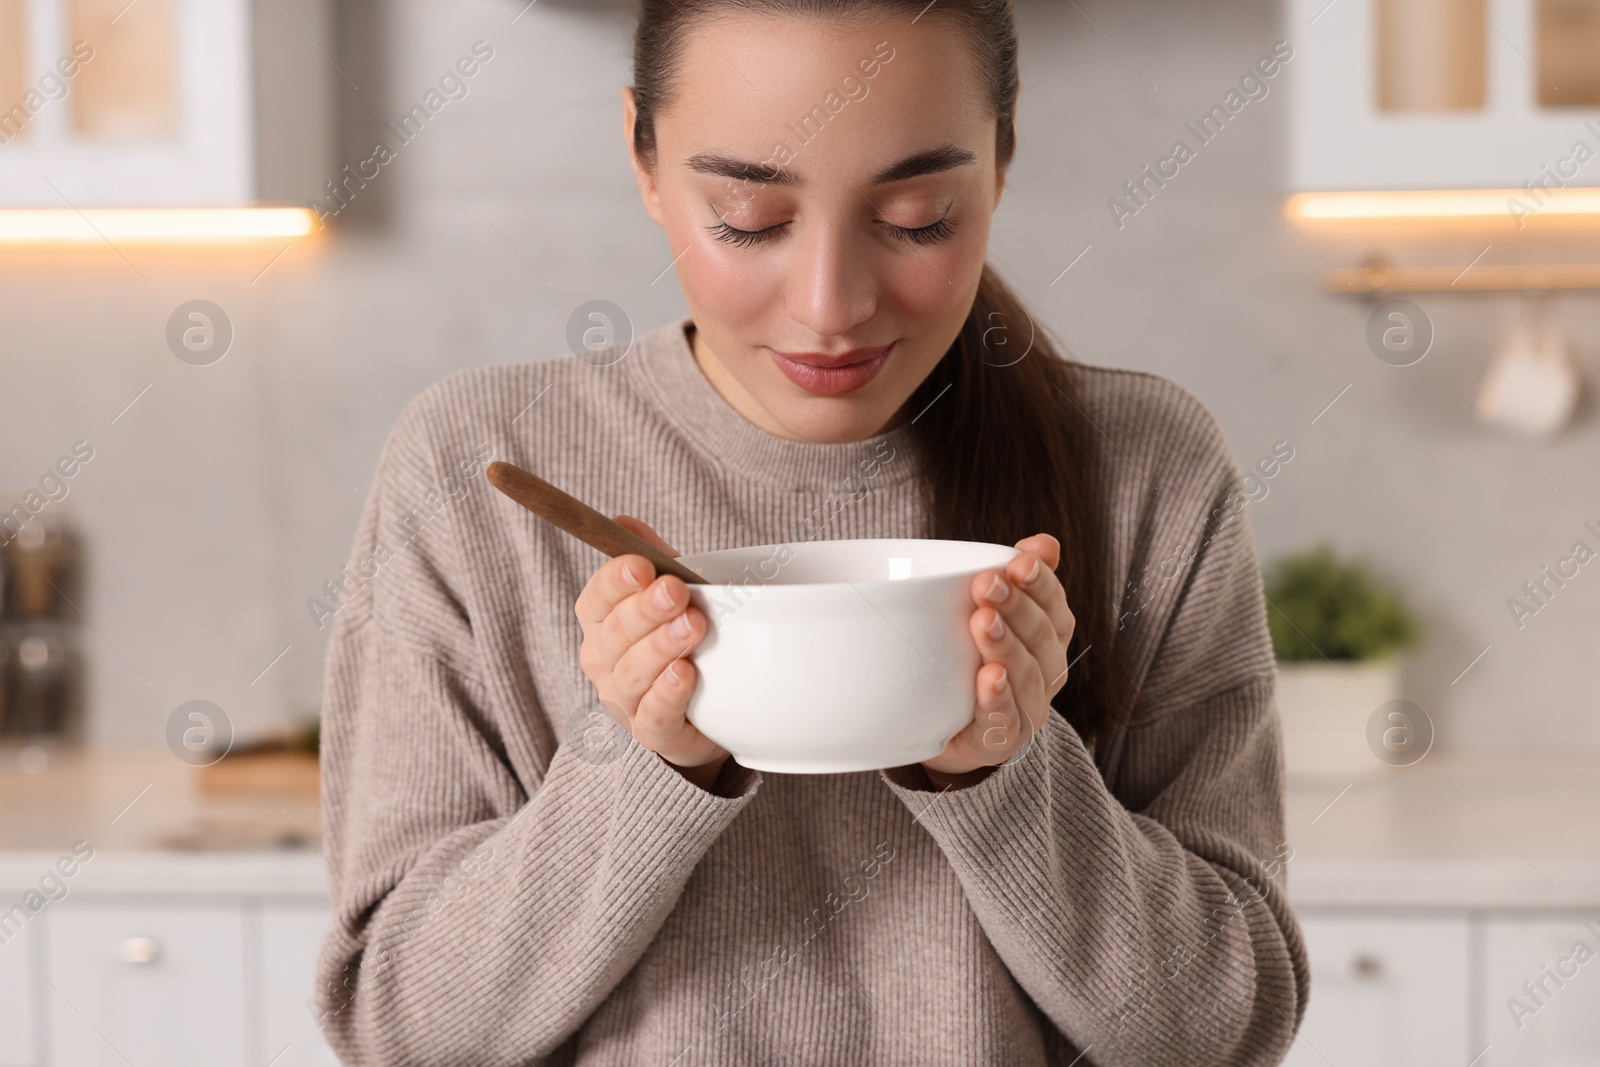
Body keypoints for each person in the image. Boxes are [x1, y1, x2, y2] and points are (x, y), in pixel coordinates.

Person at [312, 1, 1309, 1063]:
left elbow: (1222, 1029)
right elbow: (404, 1027)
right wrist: (637, 762)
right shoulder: (472, 465)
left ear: (1005, 150)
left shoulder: (1145, 469)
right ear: (643, 158)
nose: (831, 306)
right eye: (747, 217)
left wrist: (1006, 775)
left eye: (919, 216)